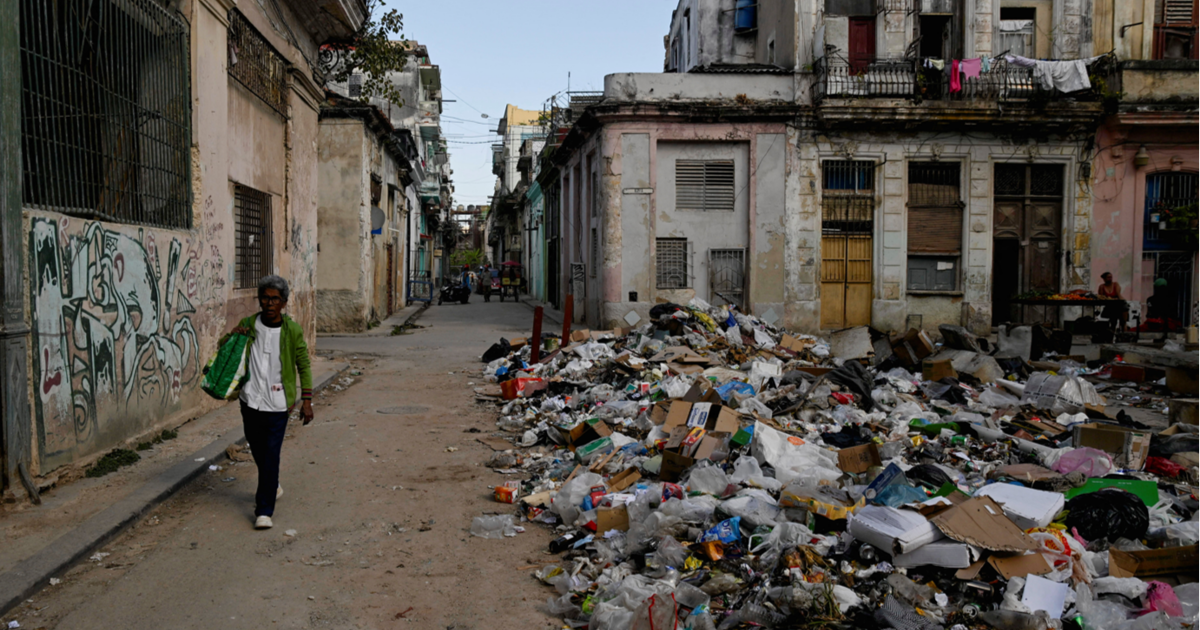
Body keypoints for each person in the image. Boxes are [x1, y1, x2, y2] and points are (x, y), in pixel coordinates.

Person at [225, 275, 313, 530]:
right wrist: (233, 337)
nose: (269, 303)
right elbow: (227, 351)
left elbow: (303, 365)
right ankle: (272, 484)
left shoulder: (292, 331)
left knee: (271, 453)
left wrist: (306, 400)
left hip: (277, 403)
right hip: (250, 399)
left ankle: (263, 510)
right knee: (258, 449)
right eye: (265, 297)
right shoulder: (248, 324)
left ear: (284, 303)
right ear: (260, 299)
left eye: (275, 299)